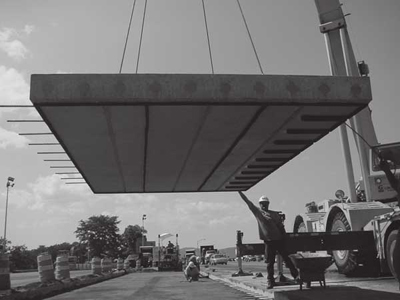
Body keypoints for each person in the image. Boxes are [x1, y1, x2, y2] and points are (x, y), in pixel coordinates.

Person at [238, 191, 298, 289]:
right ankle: (270, 281)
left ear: (268, 204)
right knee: (270, 262)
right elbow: (247, 201)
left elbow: (281, 227)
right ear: (260, 204)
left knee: (287, 259)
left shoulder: (274, 214)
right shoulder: (257, 212)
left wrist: (285, 238)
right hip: (269, 242)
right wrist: (239, 191)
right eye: (262, 204)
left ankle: (296, 276)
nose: (264, 205)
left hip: (279, 240)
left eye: (265, 204)